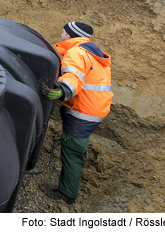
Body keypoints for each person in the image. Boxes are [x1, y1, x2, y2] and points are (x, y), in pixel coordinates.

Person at [41, 21, 113, 206]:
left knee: (72, 149)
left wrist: (62, 90)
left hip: (83, 112)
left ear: (71, 35)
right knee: (75, 146)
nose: (61, 35)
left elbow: (74, 77)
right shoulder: (92, 53)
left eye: (64, 32)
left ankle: (67, 193)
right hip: (95, 110)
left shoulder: (76, 52)